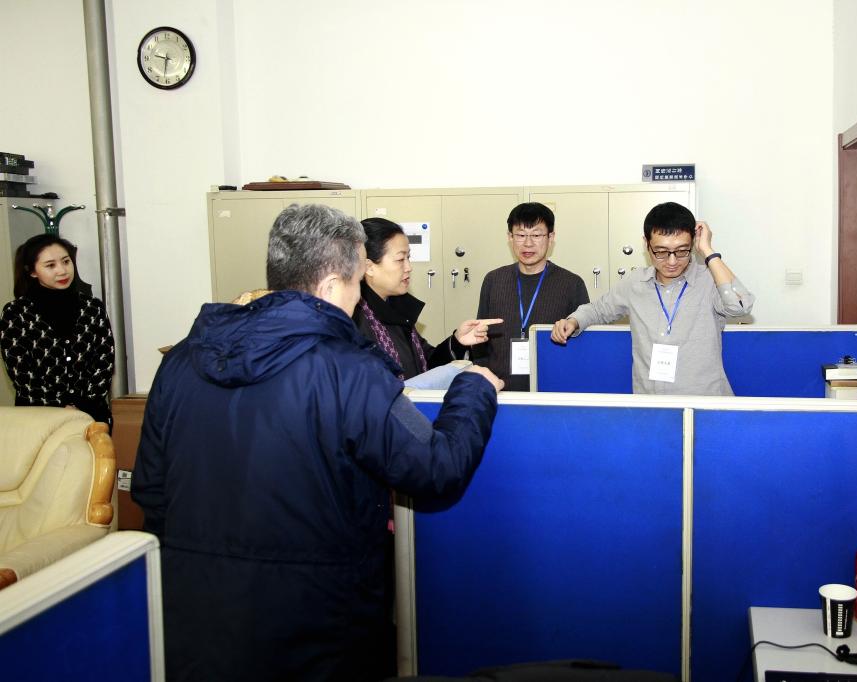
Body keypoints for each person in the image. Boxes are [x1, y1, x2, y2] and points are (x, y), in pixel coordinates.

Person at [131, 203, 504, 682]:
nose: (358, 300)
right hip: (317, 623)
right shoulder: (349, 371)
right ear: (330, 287)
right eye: (356, 284)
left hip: (197, 621)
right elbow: (436, 467)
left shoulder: (181, 361)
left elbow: (151, 491)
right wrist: (472, 387)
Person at [551, 202, 755, 395]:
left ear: (693, 244)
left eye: (682, 251)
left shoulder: (710, 280)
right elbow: (599, 309)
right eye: (661, 252)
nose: (672, 261)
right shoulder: (635, 283)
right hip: (652, 403)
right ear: (646, 244)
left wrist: (708, 251)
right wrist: (573, 321)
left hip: (704, 404)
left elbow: (741, 306)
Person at [355, 217, 500, 381]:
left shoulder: (397, 309)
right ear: (369, 267)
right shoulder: (355, 320)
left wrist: (457, 341)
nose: (409, 267)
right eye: (400, 259)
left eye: (409, 258)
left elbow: (427, 364)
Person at [475, 202, 590, 391]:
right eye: (520, 235)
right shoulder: (493, 280)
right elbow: (480, 340)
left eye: (536, 235)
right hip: (499, 391)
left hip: (552, 392)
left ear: (551, 237)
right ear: (510, 237)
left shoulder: (572, 284)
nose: (528, 243)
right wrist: (484, 383)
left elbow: (583, 345)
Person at [0, 233, 114, 424]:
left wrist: (81, 405)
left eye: (66, 262)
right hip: (39, 417)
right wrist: (61, 406)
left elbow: (104, 360)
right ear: (32, 271)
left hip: (91, 414)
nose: (62, 271)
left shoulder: (92, 307)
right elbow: (22, 373)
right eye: (50, 265)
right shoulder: (16, 312)